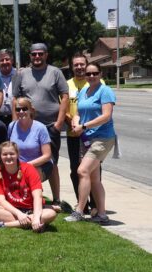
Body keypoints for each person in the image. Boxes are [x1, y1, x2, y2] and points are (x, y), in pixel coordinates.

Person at [12, 43, 69, 207]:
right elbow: (15, 98)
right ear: (29, 56)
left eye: (40, 54)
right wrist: (16, 121)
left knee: (51, 162)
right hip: (26, 125)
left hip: (50, 125)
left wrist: (58, 123)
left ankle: (56, 198)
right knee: (24, 160)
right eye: (34, 54)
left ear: (46, 55)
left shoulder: (55, 72)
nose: (37, 57)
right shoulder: (22, 74)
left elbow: (64, 97)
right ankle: (25, 195)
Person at [65, 63, 117, 224]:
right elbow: (78, 112)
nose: (91, 76)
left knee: (82, 171)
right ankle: (102, 214)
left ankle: (79, 211)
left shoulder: (105, 91)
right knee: (94, 178)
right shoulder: (84, 91)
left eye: (95, 73)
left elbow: (106, 116)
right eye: (89, 73)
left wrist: (85, 126)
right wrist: (75, 122)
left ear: (101, 74)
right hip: (87, 139)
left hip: (102, 138)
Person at [0, 142, 57, 231]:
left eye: (12, 154)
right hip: (12, 210)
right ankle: (32, 222)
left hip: (31, 209)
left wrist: (37, 216)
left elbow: (37, 196)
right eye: (5, 154)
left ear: (17, 154)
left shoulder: (29, 168)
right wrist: (19, 214)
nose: (8, 157)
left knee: (51, 213)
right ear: (0, 156)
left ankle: (3, 225)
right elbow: (1, 201)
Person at [65, 53, 100, 215]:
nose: (79, 67)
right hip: (74, 135)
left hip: (93, 135)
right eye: (76, 64)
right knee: (75, 169)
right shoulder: (67, 85)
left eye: (82, 64)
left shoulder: (97, 83)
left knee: (94, 170)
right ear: (72, 67)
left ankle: (95, 204)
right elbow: (63, 109)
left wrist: (85, 126)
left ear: (86, 65)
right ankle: (82, 204)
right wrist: (73, 123)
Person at [7, 97, 53, 190]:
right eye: (18, 109)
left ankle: (35, 195)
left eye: (24, 109)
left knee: (29, 176)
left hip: (39, 165)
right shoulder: (11, 126)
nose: (21, 111)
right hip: (18, 167)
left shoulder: (40, 128)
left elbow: (47, 156)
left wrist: (26, 166)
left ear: (31, 110)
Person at [0, 49, 16, 125]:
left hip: (15, 116)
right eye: (2, 60)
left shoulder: (19, 74)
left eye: (7, 59)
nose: (4, 62)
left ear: (12, 61)